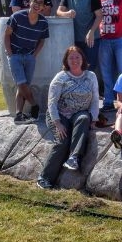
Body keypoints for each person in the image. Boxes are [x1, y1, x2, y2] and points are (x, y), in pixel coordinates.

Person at [36, 46, 99, 189]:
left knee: (84, 118)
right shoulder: (61, 77)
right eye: (71, 57)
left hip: (79, 113)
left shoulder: (91, 76)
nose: (75, 60)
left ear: (82, 59)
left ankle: (74, 158)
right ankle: (44, 178)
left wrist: (94, 119)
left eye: (77, 57)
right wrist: (57, 123)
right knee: (63, 142)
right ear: (66, 60)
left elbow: (95, 100)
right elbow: (51, 102)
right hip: (59, 114)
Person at [4, 0, 50, 124]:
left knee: (23, 86)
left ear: (43, 7)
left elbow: (42, 40)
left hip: (30, 57)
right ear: (30, 2)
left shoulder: (43, 22)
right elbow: (7, 35)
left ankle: (19, 115)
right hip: (15, 56)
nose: (37, 5)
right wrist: (10, 53)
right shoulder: (17, 17)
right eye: (35, 1)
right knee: (21, 83)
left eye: (40, 3)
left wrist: (34, 55)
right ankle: (34, 105)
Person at [56, 0, 103, 71]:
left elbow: (99, 15)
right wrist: (67, 13)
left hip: (91, 39)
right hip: (75, 39)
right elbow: (59, 12)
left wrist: (91, 32)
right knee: (76, 68)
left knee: (90, 69)